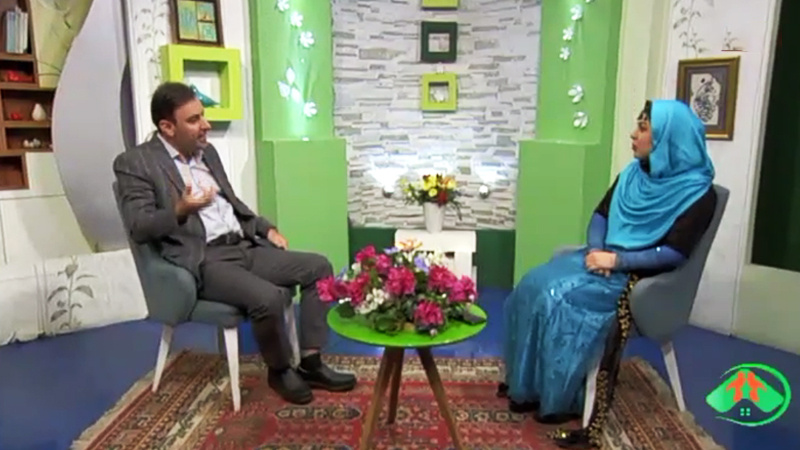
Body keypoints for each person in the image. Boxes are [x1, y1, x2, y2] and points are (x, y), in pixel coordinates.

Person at [113, 81, 356, 405]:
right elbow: (139, 226)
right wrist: (180, 210)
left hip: (242, 246)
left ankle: (311, 362)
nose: (206, 125)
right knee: (268, 298)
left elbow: (232, 204)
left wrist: (265, 229)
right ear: (167, 127)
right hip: (205, 258)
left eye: (203, 115)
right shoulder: (136, 163)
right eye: (194, 120)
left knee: (319, 267)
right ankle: (280, 370)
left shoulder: (207, 154)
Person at [499, 99, 717, 449]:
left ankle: (559, 399)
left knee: (559, 297)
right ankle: (528, 387)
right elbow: (600, 215)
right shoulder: (632, 175)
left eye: (643, 128)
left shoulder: (698, 194)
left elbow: (674, 253)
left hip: (640, 279)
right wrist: (595, 251)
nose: (633, 134)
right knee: (532, 284)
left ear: (668, 139)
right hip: (600, 260)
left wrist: (616, 261)